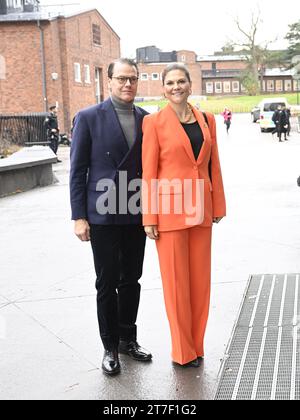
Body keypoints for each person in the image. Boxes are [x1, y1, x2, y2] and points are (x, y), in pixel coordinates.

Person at [70, 58, 152, 376]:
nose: (128, 84)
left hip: (135, 211)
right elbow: (77, 171)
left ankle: (129, 340)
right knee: (106, 283)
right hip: (102, 214)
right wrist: (79, 216)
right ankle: (110, 347)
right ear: (109, 82)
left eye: (132, 78)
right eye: (122, 79)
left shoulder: (147, 119)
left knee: (131, 280)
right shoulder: (89, 117)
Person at [142, 64, 226, 367]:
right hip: (170, 213)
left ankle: (197, 345)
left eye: (181, 81)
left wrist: (218, 206)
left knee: (200, 282)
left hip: (202, 210)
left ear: (190, 84)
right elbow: (149, 173)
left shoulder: (207, 119)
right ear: (163, 88)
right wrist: (149, 217)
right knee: (176, 285)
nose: (175, 86)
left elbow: (212, 165)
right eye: (170, 82)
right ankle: (182, 351)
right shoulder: (153, 123)